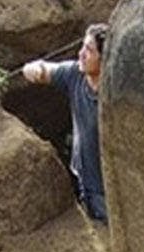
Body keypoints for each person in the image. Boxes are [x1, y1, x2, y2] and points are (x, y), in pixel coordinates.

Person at [21, 23, 109, 224]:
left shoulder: (114, 92)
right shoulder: (75, 74)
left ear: (104, 59)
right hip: (82, 181)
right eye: (82, 47)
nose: (81, 54)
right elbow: (45, 69)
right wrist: (34, 69)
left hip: (109, 190)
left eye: (89, 50)